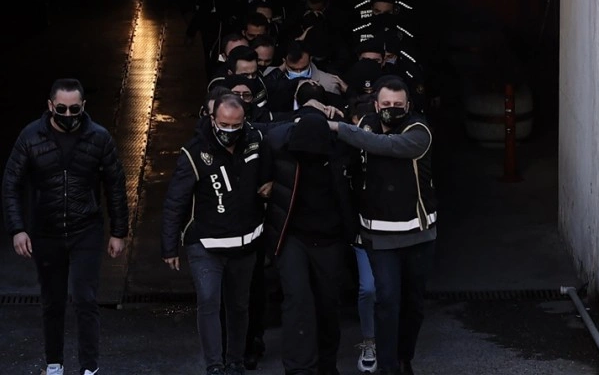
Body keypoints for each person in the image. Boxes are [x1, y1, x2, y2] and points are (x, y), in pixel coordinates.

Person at [2, 78, 129, 375]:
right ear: (50, 106)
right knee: (52, 301)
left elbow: (115, 185)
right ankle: (54, 364)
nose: (68, 115)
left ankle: (89, 368)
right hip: (46, 231)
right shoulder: (30, 137)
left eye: (74, 109)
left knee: (86, 299)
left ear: (83, 106)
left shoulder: (99, 138)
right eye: (61, 109)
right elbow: (11, 183)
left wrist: (118, 231)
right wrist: (17, 229)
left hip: (86, 229)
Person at [327, 76, 437, 375]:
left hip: (418, 233)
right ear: (376, 105)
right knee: (386, 300)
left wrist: (340, 128)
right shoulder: (366, 124)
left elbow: (384, 146)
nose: (391, 108)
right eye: (386, 103)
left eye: (398, 104)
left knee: (413, 304)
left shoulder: (419, 131)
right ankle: (389, 367)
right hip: (379, 234)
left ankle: (404, 357)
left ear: (408, 106)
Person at [162, 94, 266, 375]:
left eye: (236, 125)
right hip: (206, 244)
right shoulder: (194, 152)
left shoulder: (255, 140)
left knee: (239, 306)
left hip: (245, 243)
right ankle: (215, 366)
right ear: (212, 119)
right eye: (224, 125)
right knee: (209, 302)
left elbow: (277, 143)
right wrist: (169, 246)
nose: (230, 131)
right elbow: (175, 201)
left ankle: (235, 361)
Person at [261, 105, 357, 375]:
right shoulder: (280, 148)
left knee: (327, 303)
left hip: (329, 238)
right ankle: (299, 369)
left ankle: (325, 365)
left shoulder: (340, 155)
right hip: (292, 237)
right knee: (298, 301)